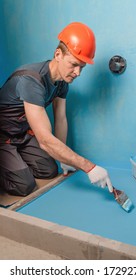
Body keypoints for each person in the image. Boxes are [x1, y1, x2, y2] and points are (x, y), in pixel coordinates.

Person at [0, 22, 113, 197]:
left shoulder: (61, 84)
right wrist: (88, 167)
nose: (78, 73)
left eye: (81, 67)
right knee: (24, 186)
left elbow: (60, 118)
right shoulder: (31, 80)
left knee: (49, 170)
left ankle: (15, 163)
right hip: (3, 136)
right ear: (58, 54)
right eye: (74, 64)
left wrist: (63, 158)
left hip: (22, 135)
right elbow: (44, 140)